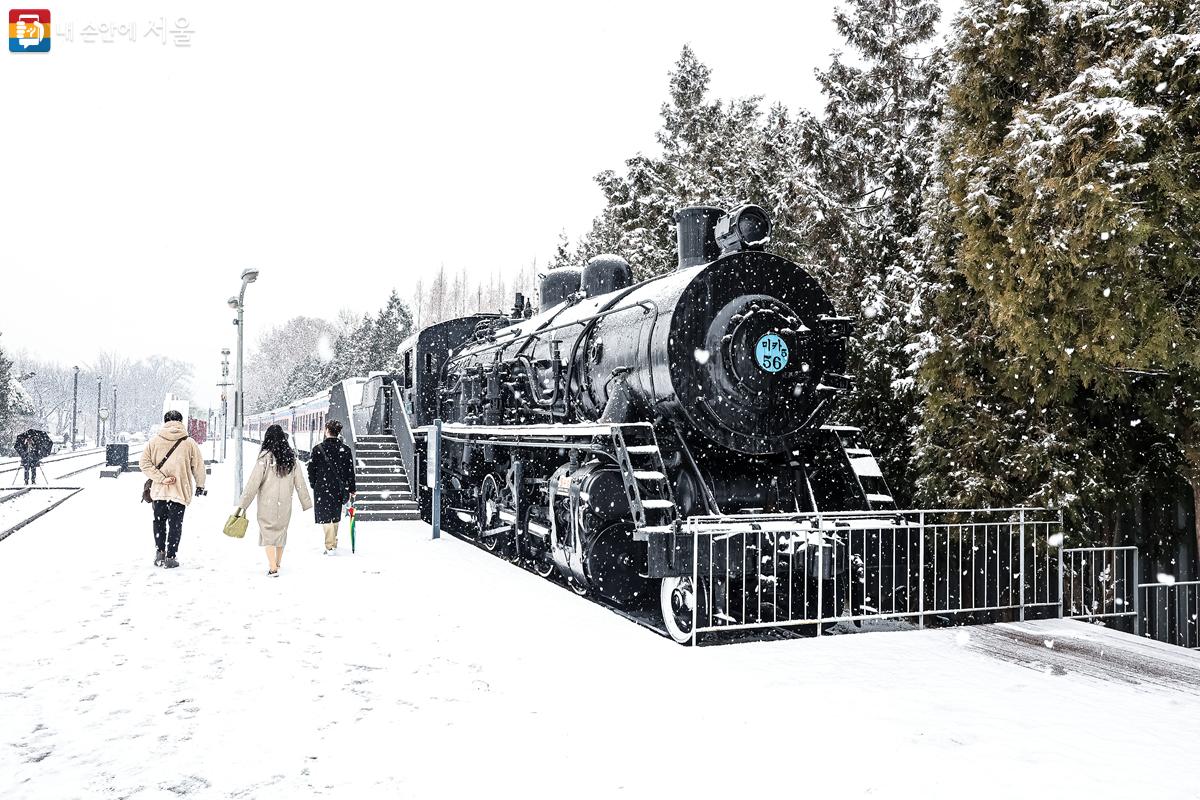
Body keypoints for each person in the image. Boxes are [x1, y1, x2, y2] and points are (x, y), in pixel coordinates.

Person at [237, 424, 313, 577]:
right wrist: (306, 502)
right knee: (281, 532)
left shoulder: (264, 458)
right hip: (285, 503)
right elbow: (300, 483)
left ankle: (273, 567)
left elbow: (253, 482)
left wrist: (243, 504)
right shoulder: (291, 458)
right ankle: (278, 562)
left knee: (268, 533)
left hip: (267, 503)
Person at [139, 411, 207, 569]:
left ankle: (160, 553)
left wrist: (161, 478)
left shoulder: (154, 441)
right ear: (181, 421)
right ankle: (171, 556)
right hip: (179, 492)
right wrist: (200, 485)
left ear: (165, 421)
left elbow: (144, 464)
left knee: (159, 523)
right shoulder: (189, 442)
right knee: (175, 525)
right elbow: (198, 466)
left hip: (159, 492)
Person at [307, 419, 356, 554]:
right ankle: (333, 541)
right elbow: (350, 471)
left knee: (325, 516)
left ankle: (330, 546)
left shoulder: (318, 449)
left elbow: (311, 470)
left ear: (327, 431)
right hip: (339, 488)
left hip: (322, 487)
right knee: (335, 514)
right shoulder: (345, 450)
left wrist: (314, 484)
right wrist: (352, 488)